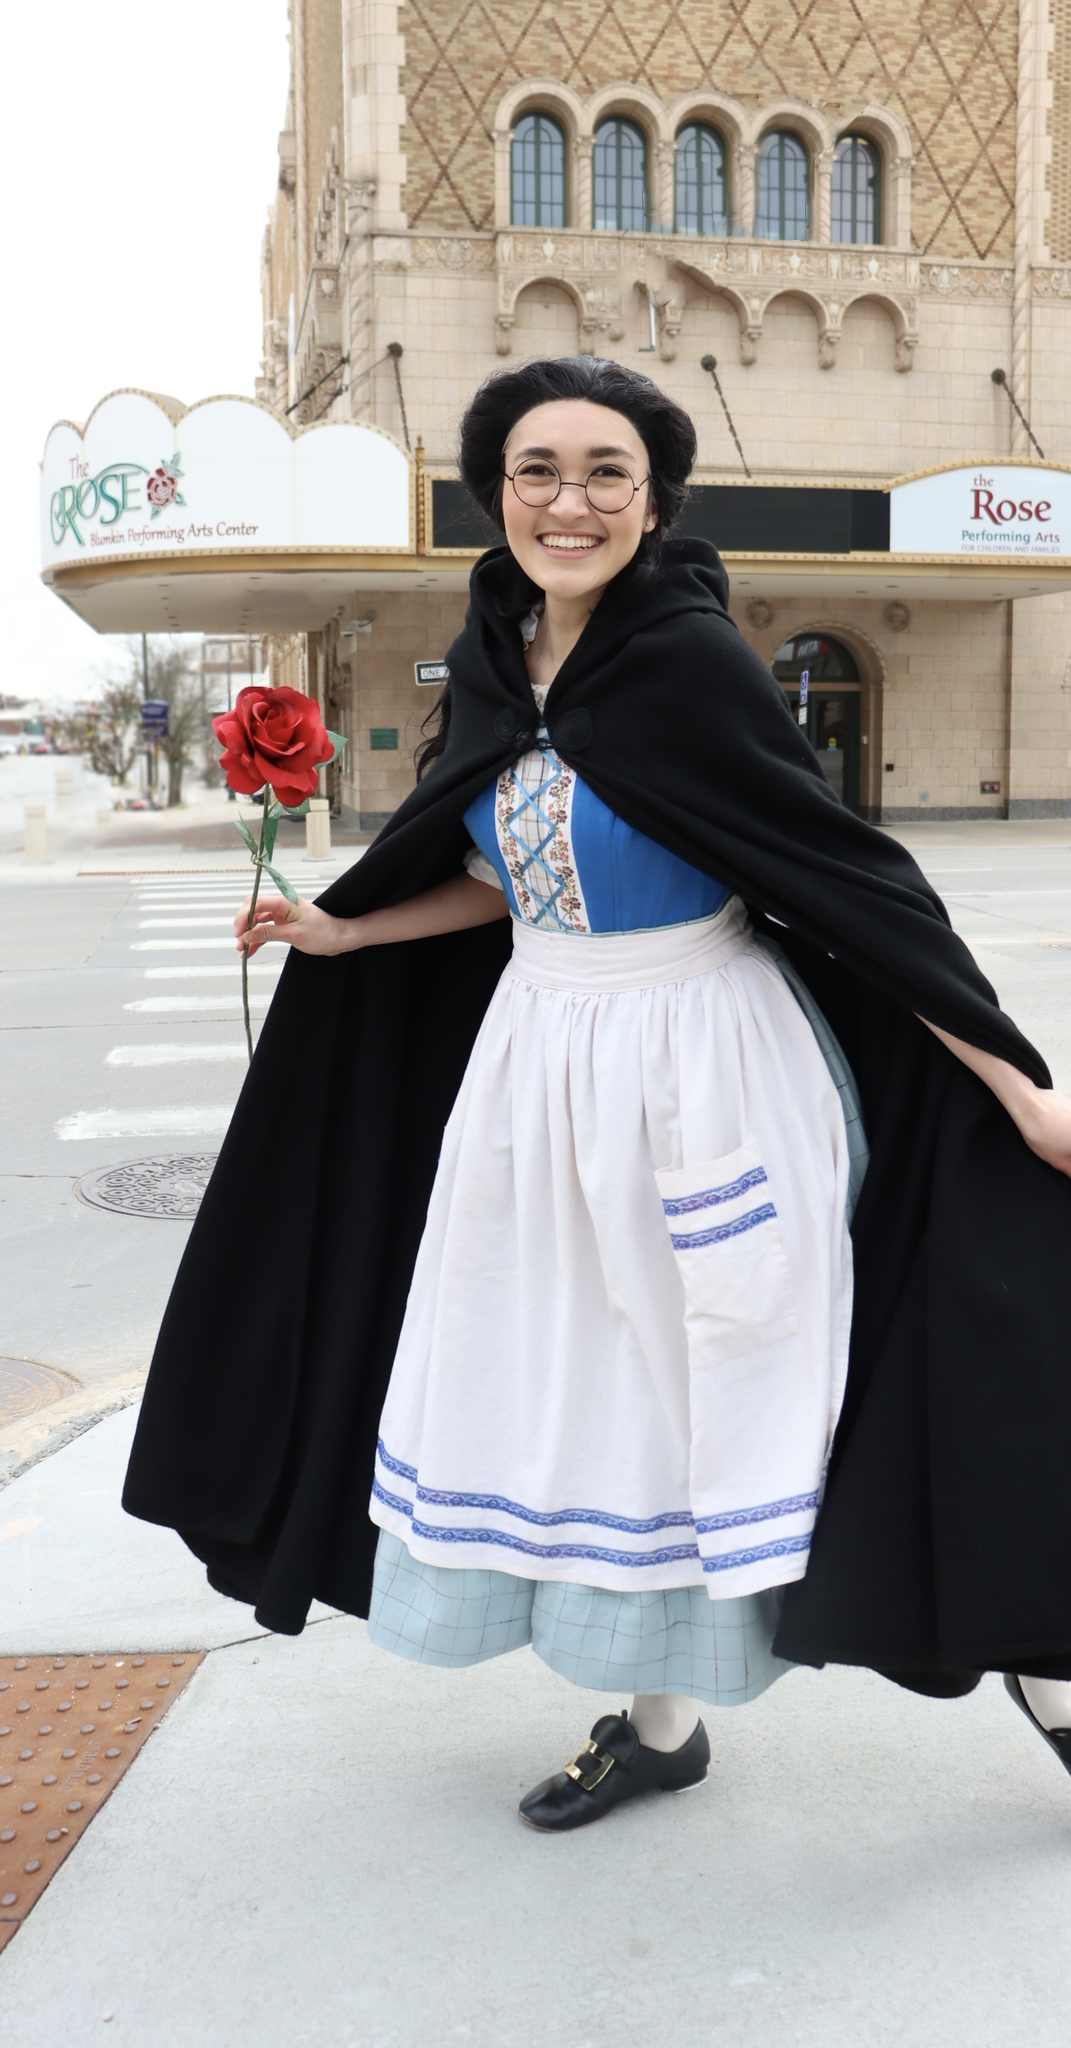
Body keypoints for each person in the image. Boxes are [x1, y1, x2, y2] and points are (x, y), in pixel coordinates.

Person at [124, 358, 1071, 1829]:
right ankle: (660, 1723)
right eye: (538, 472)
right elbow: (501, 881)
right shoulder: (495, 665)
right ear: (494, 497)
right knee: (596, 1392)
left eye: (605, 473)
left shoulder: (689, 663)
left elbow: (854, 880)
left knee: (742, 1388)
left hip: (704, 1069)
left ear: (655, 501)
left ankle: (1051, 1675)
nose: (569, 503)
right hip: (536, 1076)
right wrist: (345, 929)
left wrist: (1019, 1090)